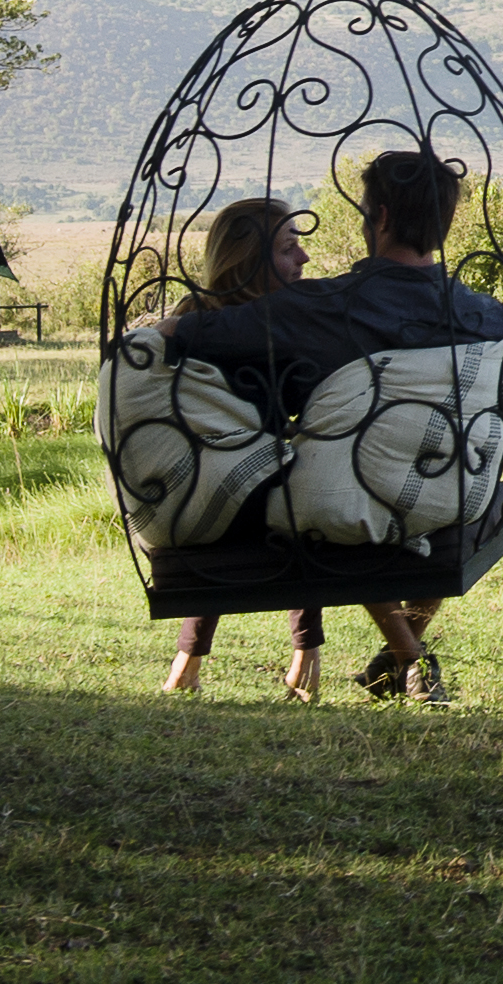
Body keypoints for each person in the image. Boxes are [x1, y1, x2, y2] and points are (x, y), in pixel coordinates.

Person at [161, 147, 503, 702]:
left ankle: (406, 656)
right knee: (475, 494)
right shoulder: (488, 317)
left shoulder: (319, 307)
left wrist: (153, 333)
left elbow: (179, 338)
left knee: (331, 485)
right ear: (444, 222)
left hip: (346, 503)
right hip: (447, 499)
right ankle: (406, 655)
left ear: (379, 217)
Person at [154, 195, 331, 700]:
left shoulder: (192, 319)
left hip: (203, 494)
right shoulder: (249, 329)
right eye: (288, 248)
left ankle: (188, 665)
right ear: (249, 258)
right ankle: (330, 655)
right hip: (229, 493)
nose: (304, 258)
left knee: (278, 485)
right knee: (300, 496)